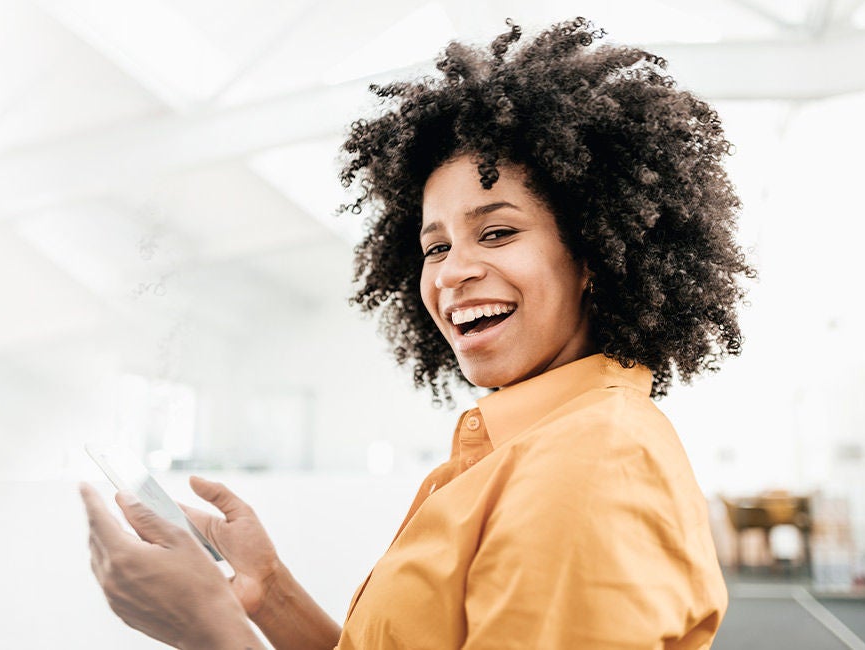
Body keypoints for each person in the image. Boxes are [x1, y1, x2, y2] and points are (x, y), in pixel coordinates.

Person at [79, 16, 753, 649]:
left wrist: (209, 627)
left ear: (594, 257)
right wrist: (267, 593)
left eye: (497, 232)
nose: (453, 271)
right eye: (436, 247)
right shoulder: (517, 450)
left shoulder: (593, 462)